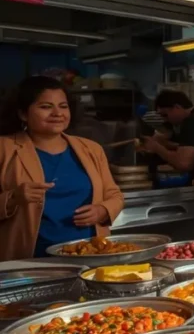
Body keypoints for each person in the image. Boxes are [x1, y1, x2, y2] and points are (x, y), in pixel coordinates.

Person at [0, 76, 123, 259]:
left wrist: (103, 211)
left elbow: (114, 195)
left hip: (90, 255)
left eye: (63, 106)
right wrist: (13, 198)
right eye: (45, 107)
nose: (58, 113)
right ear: (23, 114)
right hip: (30, 260)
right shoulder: (4, 148)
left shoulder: (90, 149)